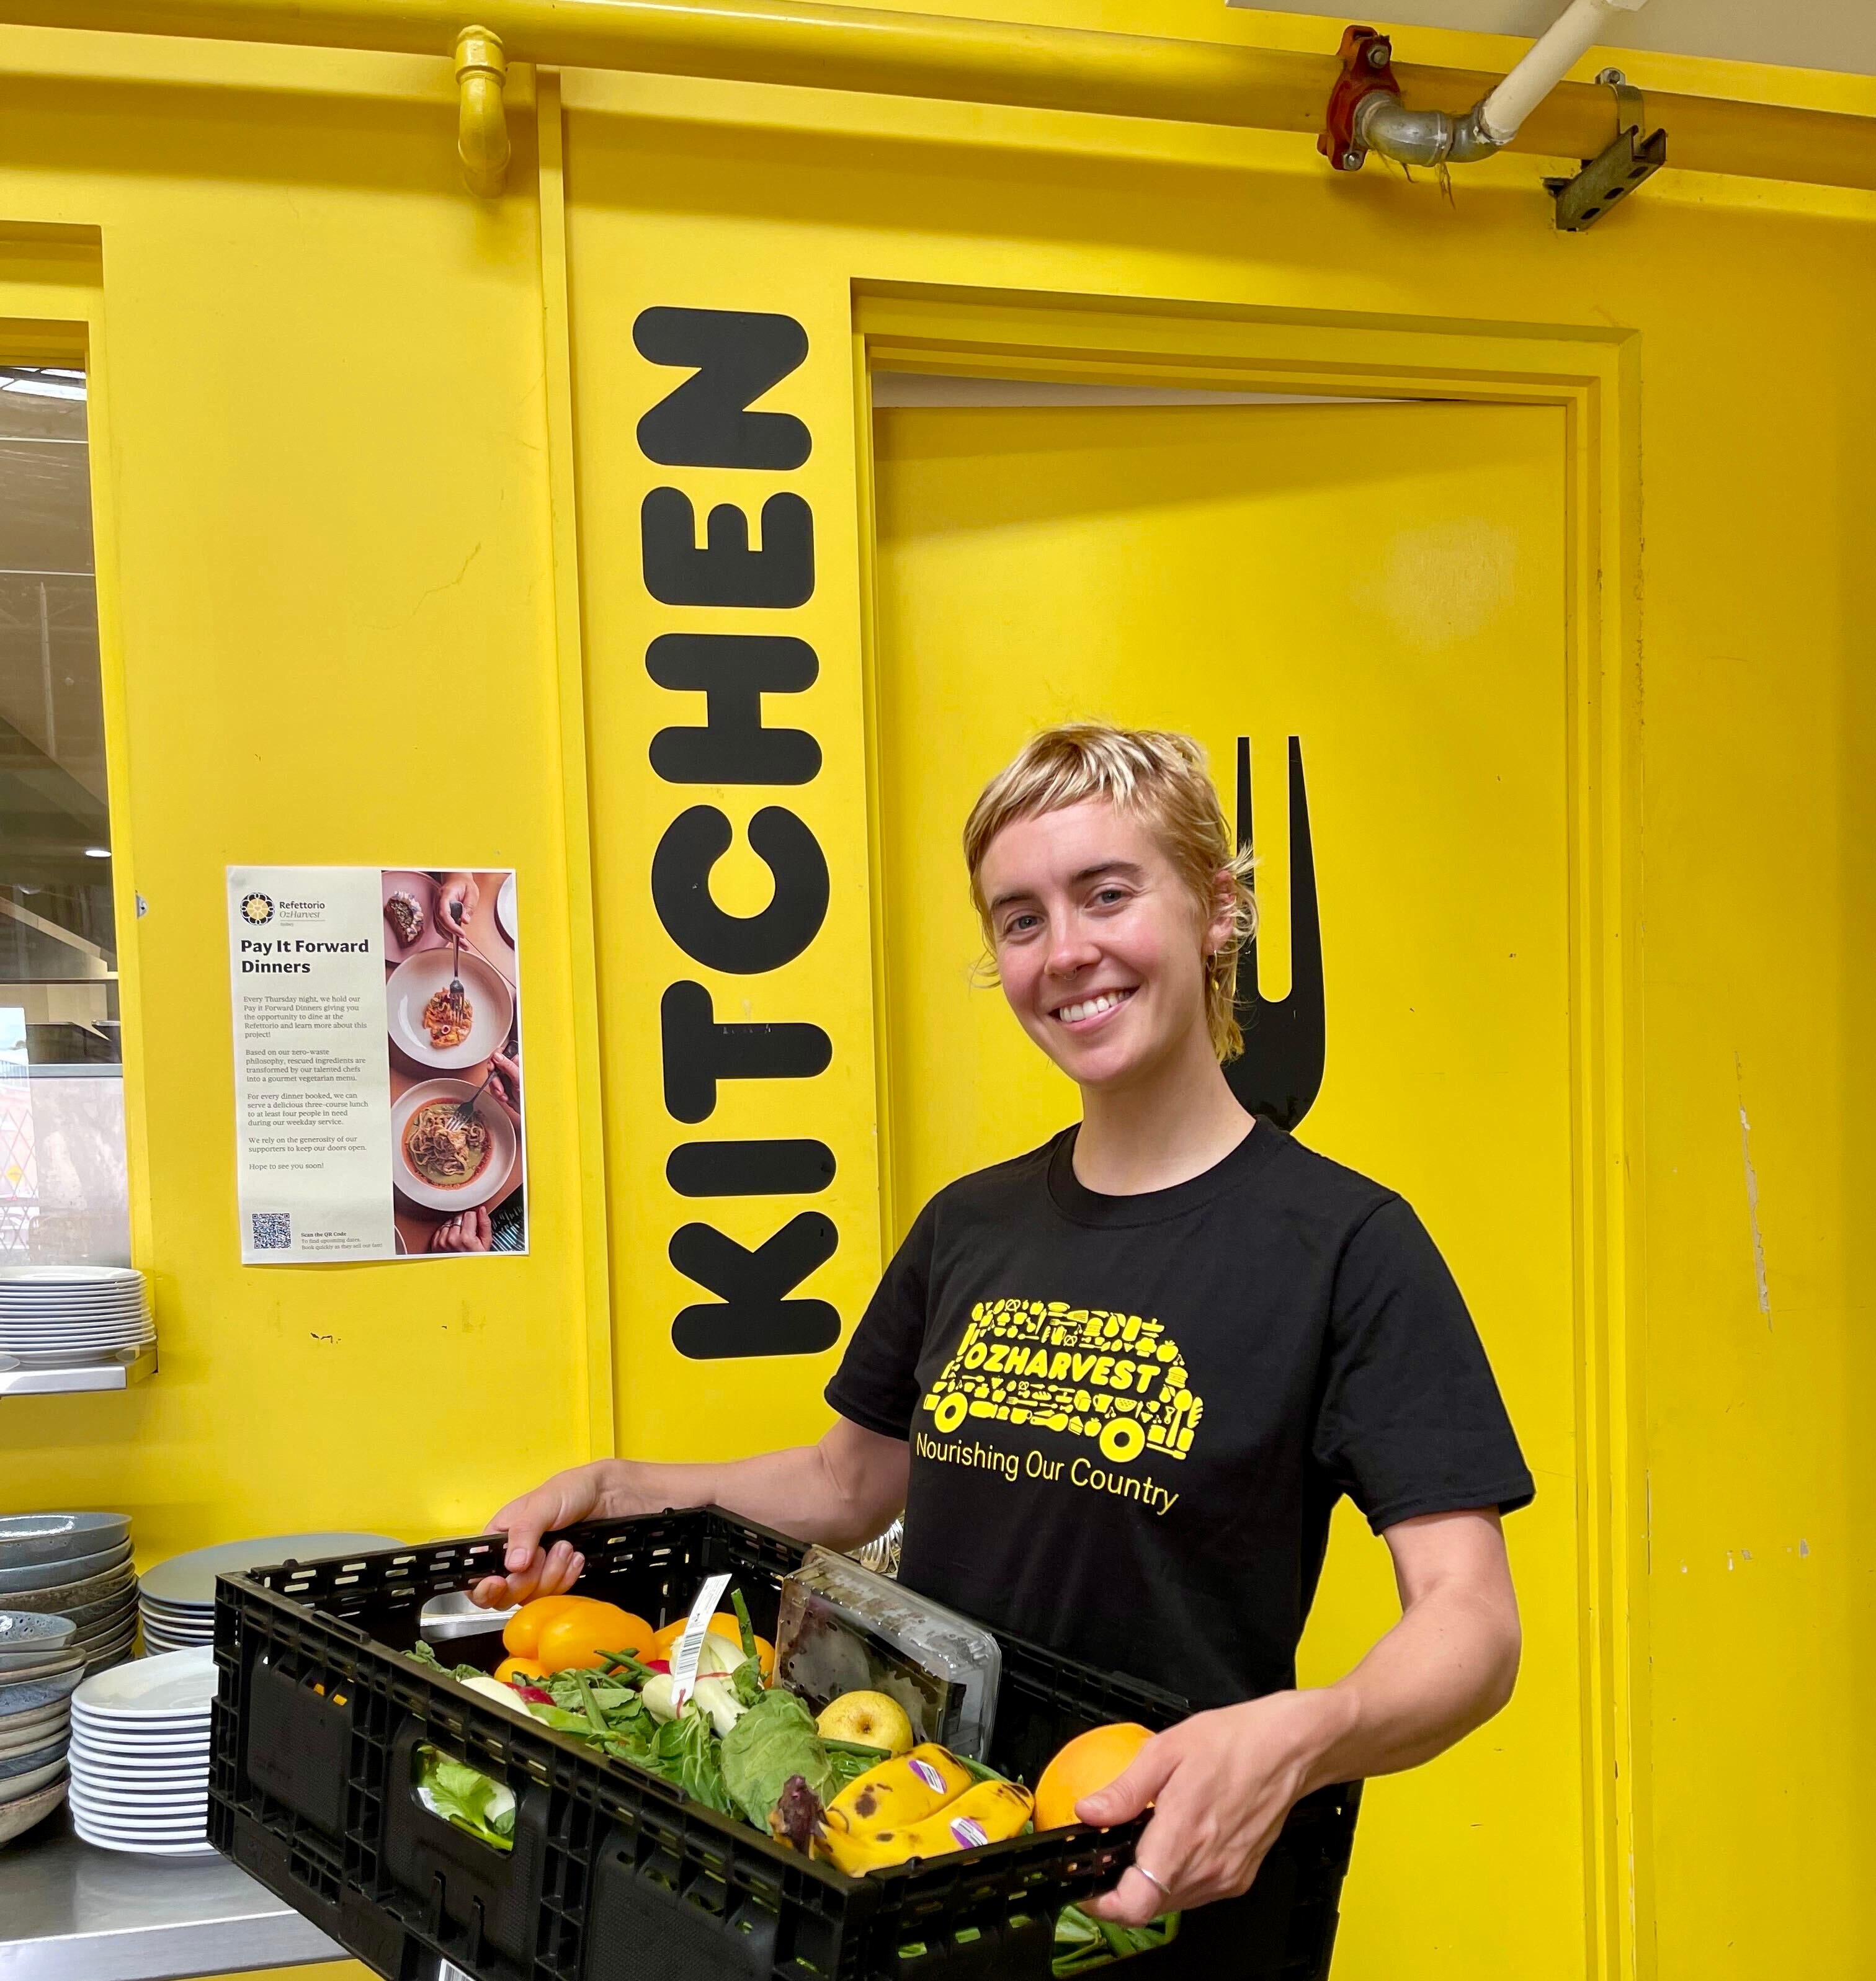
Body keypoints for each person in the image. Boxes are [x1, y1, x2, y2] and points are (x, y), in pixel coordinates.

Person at [471, 724, 1532, 1934]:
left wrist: (1311, 1729)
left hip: (1159, 1889)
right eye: (1019, 918)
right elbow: (843, 1485)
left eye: (1108, 893)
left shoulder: (1345, 1245)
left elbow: (1471, 1619)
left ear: (1218, 912)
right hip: (922, 1853)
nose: (1066, 950)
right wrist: (621, 1486)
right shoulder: (968, 1227)